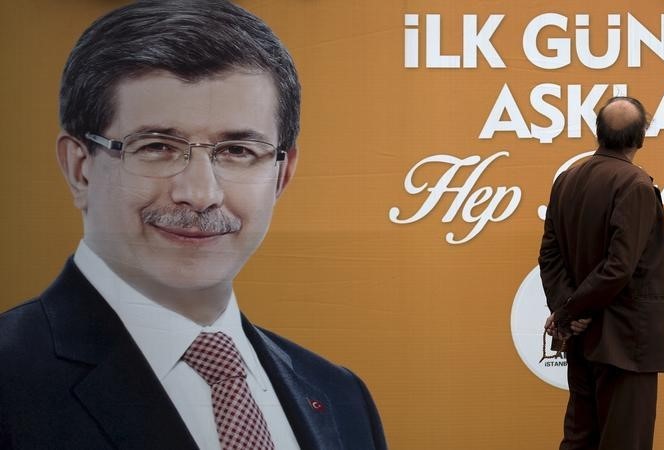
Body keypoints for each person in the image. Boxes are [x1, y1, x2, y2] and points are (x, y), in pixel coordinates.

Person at [0, 1, 387, 449]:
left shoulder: (340, 397)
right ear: (79, 168)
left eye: (238, 151)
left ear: (282, 173)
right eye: (158, 146)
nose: (201, 194)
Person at [539, 96, 664, 450]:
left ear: (597, 133)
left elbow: (549, 255)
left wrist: (568, 312)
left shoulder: (566, 181)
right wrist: (572, 312)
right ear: (640, 138)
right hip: (627, 341)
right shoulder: (635, 185)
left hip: (583, 341)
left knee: (580, 438)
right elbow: (619, 267)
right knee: (625, 441)